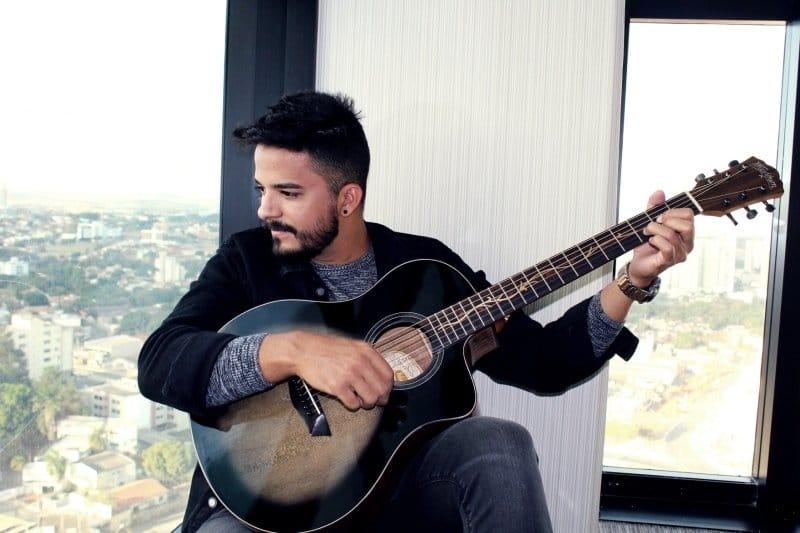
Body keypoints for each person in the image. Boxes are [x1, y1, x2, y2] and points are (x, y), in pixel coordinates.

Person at [138, 91, 695, 532]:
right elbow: (161, 362)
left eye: (287, 193)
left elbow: (548, 363)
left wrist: (634, 280)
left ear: (347, 198)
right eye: (261, 189)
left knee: (498, 441)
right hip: (262, 506)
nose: (265, 209)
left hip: (393, 497)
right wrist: (291, 351)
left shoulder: (430, 274)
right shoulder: (246, 261)